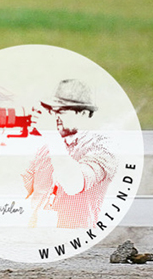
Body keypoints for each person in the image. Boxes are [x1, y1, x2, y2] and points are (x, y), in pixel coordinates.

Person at [22, 79, 117, 229]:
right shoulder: (47, 146)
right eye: (53, 110)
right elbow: (22, 187)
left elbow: (73, 184)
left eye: (62, 110)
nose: (55, 116)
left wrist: (52, 136)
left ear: (85, 113)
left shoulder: (102, 147)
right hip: (36, 238)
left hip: (77, 240)